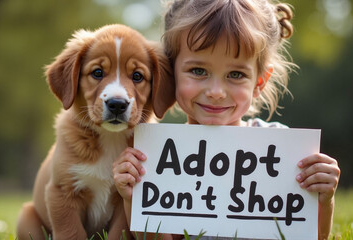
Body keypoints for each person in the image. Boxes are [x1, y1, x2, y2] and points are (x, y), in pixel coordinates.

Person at [112, 0, 340, 239]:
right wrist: (134, 196)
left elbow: (310, 236)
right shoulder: (162, 157)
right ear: (170, 73)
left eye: (236, 74)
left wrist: (324, 198)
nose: (216, 91)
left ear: (259, 82)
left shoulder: (280, 153)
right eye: (198, 71)